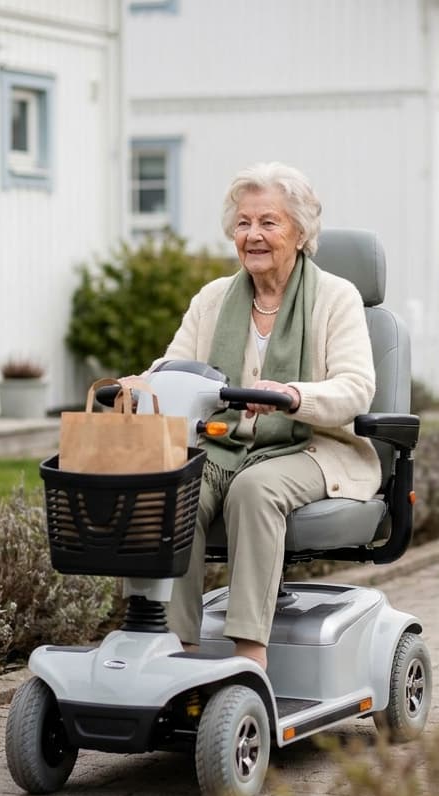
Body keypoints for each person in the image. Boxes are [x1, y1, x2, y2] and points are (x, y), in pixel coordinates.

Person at [133, 162, 380, 670]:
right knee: (174, 489)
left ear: (301, 231)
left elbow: (356, 389)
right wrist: (145, 381)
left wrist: (292, 395)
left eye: (269, 222)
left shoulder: (337, 298)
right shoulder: (213, 299)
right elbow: (174, 365)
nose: (254, 236)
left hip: (314, 446)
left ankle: (250, 657)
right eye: (244, 223)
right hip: (224, 442)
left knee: (255, 489)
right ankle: (175, 649)